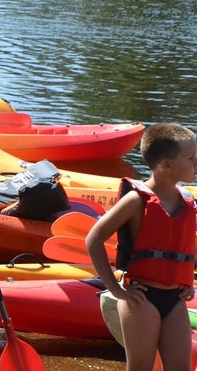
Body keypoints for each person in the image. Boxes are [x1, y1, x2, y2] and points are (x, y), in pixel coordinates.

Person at [86, 123, 197, 371]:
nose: (196, 163)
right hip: (141, 299)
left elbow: (186, 245)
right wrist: (115, 289)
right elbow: (94, 239)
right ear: (166, 165)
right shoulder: (136, 200)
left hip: (175, 299)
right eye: (190, 158)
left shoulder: (187, 201)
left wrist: (188, 282)